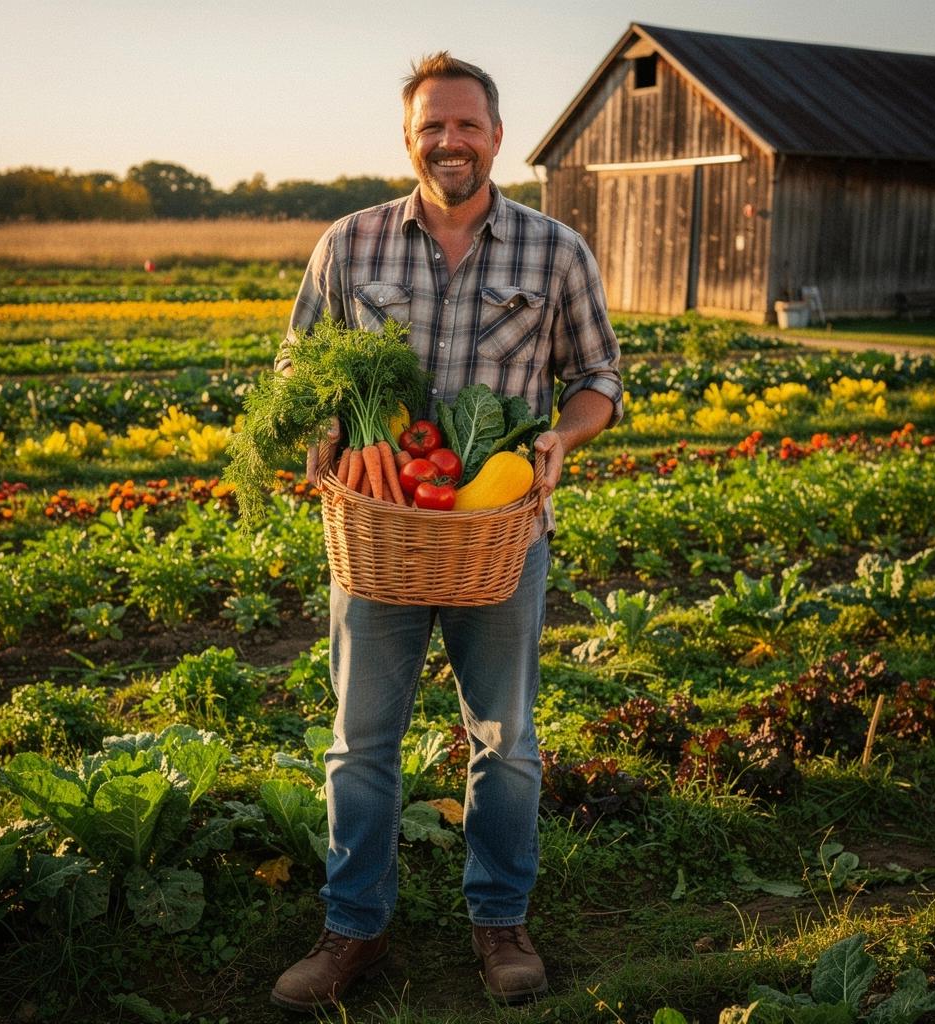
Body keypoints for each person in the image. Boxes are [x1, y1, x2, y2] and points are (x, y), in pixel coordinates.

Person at [270, 51, 623, 1012]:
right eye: (433, 125)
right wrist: (325, 430)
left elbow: (600, 379)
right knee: (358, 741)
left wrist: (560, 434)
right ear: (408, 136)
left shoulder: (556, 251)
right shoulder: (349, 245)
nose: (450, 141)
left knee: (505, 740)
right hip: (380, 530)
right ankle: (354, 931)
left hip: (497, 534)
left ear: (498, 136)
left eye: (467, 124)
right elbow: (298, 373)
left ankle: (500, 921)